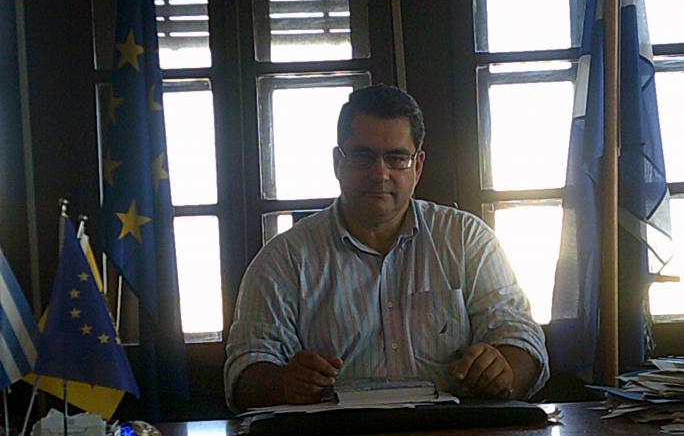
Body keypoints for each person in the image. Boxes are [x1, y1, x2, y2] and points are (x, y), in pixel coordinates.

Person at [224, 84, 549, 412]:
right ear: (337, 163)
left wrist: (503, 371)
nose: (380, 174)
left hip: (452, 435)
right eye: (363, 156)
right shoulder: (285, 258)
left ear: (417, 167)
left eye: (396, 158)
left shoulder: (466, 240)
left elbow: (522, 339)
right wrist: (283, 384)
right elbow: (245, 370)